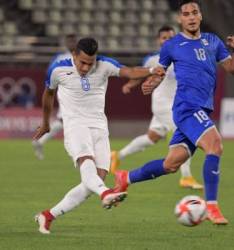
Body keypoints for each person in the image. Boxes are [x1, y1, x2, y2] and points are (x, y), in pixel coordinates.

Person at [114, 0, 234, 225]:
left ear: (200, 16)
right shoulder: (172, 45)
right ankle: (212, 207)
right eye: (186, 14)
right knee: (215, 145)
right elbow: (160, 72)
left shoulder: (213, 41)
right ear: (180, 19)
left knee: (171, 164)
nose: (191, 17)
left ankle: (126, 177)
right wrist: (152, 83)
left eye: (195, 13)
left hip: (201, 109)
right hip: (186, 107)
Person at [34, 37, 165, 234]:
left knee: (95, 179)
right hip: (75, 125)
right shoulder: (58, 69)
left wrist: (151, 70)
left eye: (90, 63)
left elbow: (128, 72)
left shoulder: (104, 65)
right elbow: (48, 94)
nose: (86, 67)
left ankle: (48, 215)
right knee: (87, 164)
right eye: (82, 62)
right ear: (74, 56)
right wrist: (45, 123)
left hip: (99, 127)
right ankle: (105, 192)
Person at [111, 25, 202, 189]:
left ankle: (117, 155)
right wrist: (130, 85)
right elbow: (141, 73)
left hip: (175, 105)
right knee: (184, 134)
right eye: (164, 38)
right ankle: (186, 177)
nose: (167, 40)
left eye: (170, 37)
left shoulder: (183, 57)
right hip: (163, 105)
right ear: (159, 41)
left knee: (151, 137)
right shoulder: (153, 59)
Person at [32, 34, 78, 160]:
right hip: (65, 91)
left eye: (73, 41)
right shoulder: (60, 57)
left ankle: (41, 142)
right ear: (66, 43)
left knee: (65, 121)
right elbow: (50, 74)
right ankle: (74, 151)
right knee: (68, 120)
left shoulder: (81, 56)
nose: (71, 43)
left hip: (79, 92)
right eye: (69, 41)